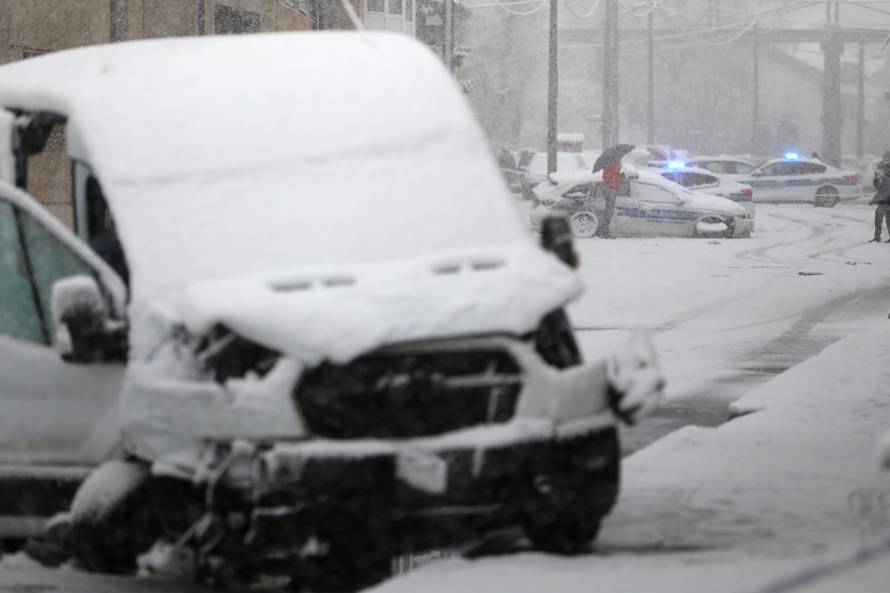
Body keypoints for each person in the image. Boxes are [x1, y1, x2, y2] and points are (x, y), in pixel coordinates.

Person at [869, 151, 890, 243]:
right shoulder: (884, 168)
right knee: (888, 219)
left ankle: (877, 237)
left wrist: (876, 180)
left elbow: (879, 187)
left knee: (878, 218)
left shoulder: (886, 167)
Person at [597, 160, 621, 238]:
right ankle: (604, 232)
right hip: (610, 191)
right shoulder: (609, 168)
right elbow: (609, 180)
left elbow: (614, 179)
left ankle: (604, 231)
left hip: (611, 191)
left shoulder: (610, 167)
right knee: (608, 213)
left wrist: (620, 174)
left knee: (609, 213)